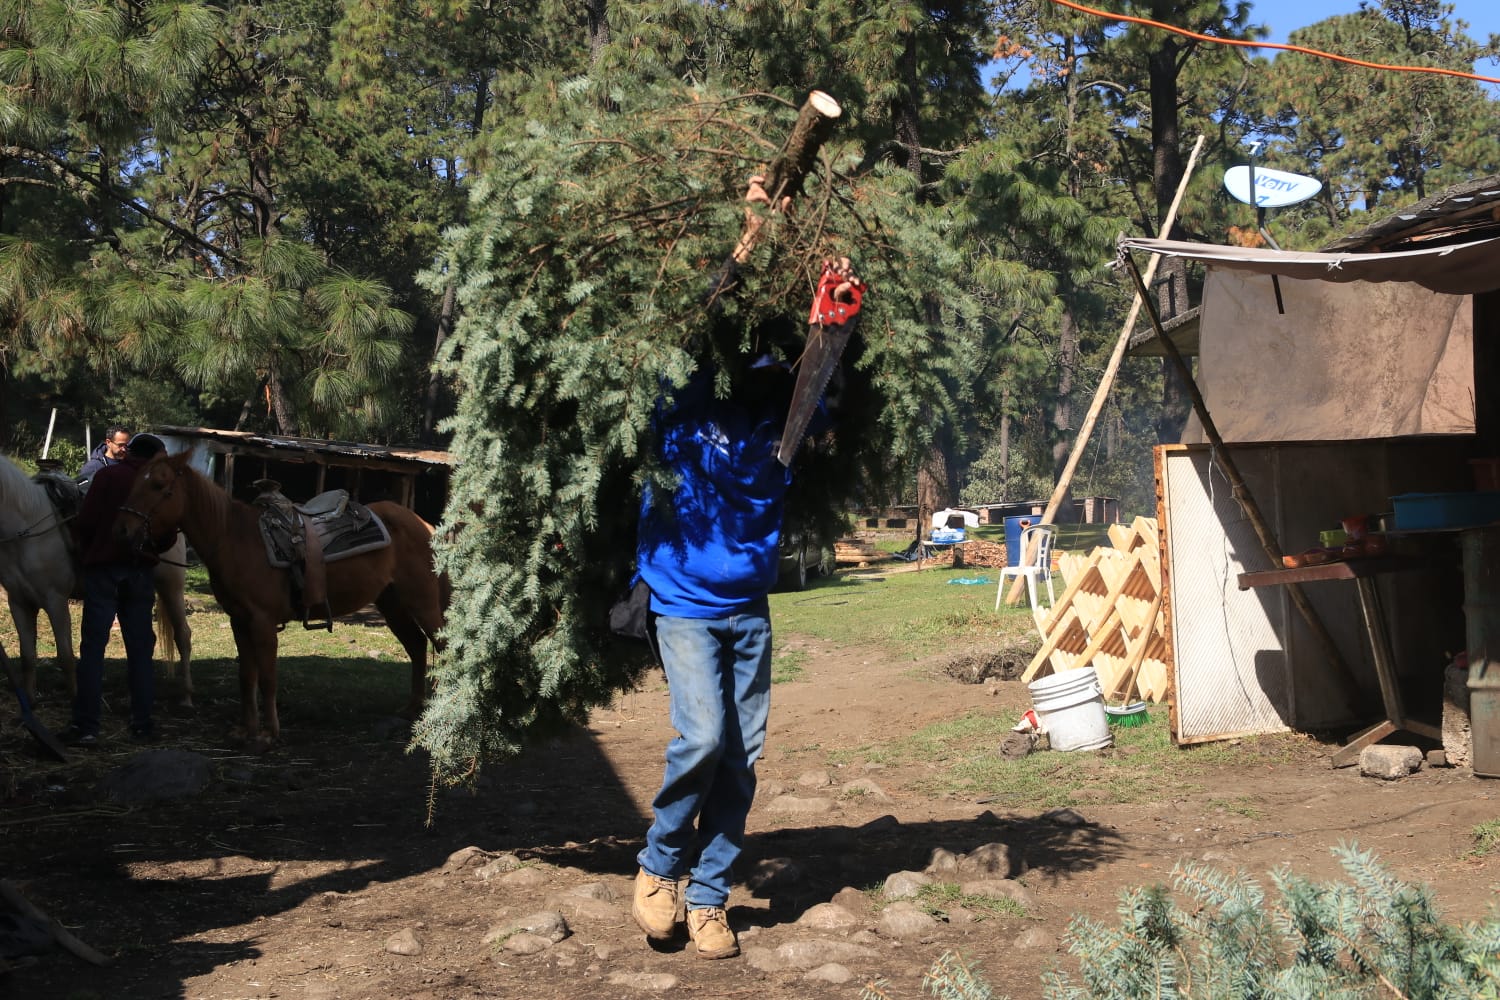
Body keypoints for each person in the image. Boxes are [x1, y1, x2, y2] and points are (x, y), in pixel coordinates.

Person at [630, 180, 864, 960]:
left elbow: (826, 368)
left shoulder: (785, 420)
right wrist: (755, 231)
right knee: (701, 739)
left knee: (741, 757)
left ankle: (708, 896)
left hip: (749, 608)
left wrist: (833, 297)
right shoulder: (684, 404)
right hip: (684, 601)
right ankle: (659, 863)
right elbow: (699, 316)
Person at [60, 433, 175, 748]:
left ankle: (86, 726)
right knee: (140, 650)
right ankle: (142, 725)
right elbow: (167, 535)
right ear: (153, 457)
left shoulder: (108, 476)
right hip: (139, 572)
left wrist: (89, 551)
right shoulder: (158, 485)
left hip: (103, 571)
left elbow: (85, 523)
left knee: (93, 649)